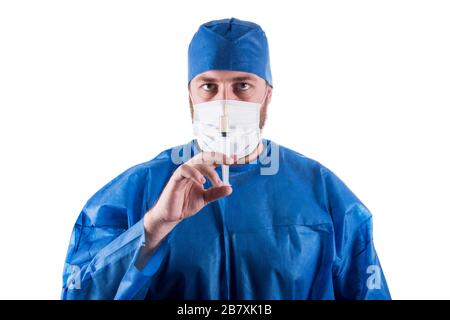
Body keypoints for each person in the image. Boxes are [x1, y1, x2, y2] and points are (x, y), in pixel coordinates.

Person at [61, 18, 390, 300]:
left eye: (242, 85)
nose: (224, 103)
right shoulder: (138, 191)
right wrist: (154, 227)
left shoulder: (323, 194)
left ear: (267, 94)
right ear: (189, 94)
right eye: (208, 86)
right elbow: (79, 292)